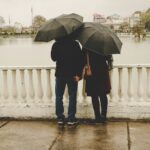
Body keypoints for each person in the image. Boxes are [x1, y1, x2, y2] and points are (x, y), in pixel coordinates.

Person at [51, 36, 83, 126]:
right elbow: (80, 60)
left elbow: (53, 58)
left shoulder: (56, 44)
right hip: (72, 74)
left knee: (59, 96)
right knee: (72, 96)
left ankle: (60, 118)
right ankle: (71, 118)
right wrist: (79, 75)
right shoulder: (75, 44)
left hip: (60, 74)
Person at [83, 49, 113, 123]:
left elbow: (83, 58)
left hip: (92, 71)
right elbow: (109, 58)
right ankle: (103, 116)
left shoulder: (86, 46)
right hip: (102, 70)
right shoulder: (103, 44)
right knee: (103, 94)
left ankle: (97, 117)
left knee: (94, 95)